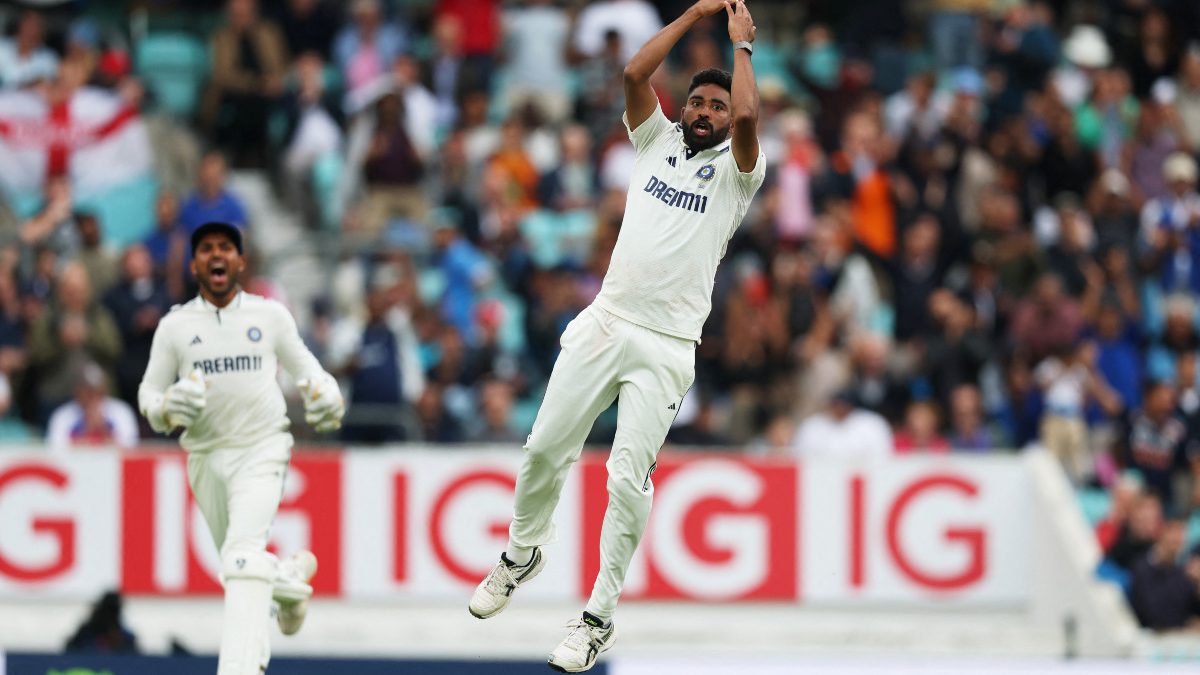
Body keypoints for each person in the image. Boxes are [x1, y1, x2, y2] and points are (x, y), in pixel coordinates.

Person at [468, 2, 765, 671]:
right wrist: (691, 14)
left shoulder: (739, 173)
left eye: (716, 107)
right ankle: (521, 553)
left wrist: (740, 49)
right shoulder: (655, 138)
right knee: (544, 445)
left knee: (627, 481)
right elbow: (635, 71)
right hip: (606, 319)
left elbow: (748, 119)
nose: (707, 113)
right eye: (698, 102)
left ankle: (598, 615)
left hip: (665, 344)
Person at [138, 222, 345, 675]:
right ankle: (287, 583)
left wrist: (326, 394)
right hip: (205, 456)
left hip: (261, 447)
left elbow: (310, 371)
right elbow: (149, 397)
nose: (218, 256)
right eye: (208, 249)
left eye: (226, 248)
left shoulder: (269, 317)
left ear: (240, 261)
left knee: (240, 559)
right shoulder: (175, 327)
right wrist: (167, 405)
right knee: (238, 569)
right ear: (194, 265)